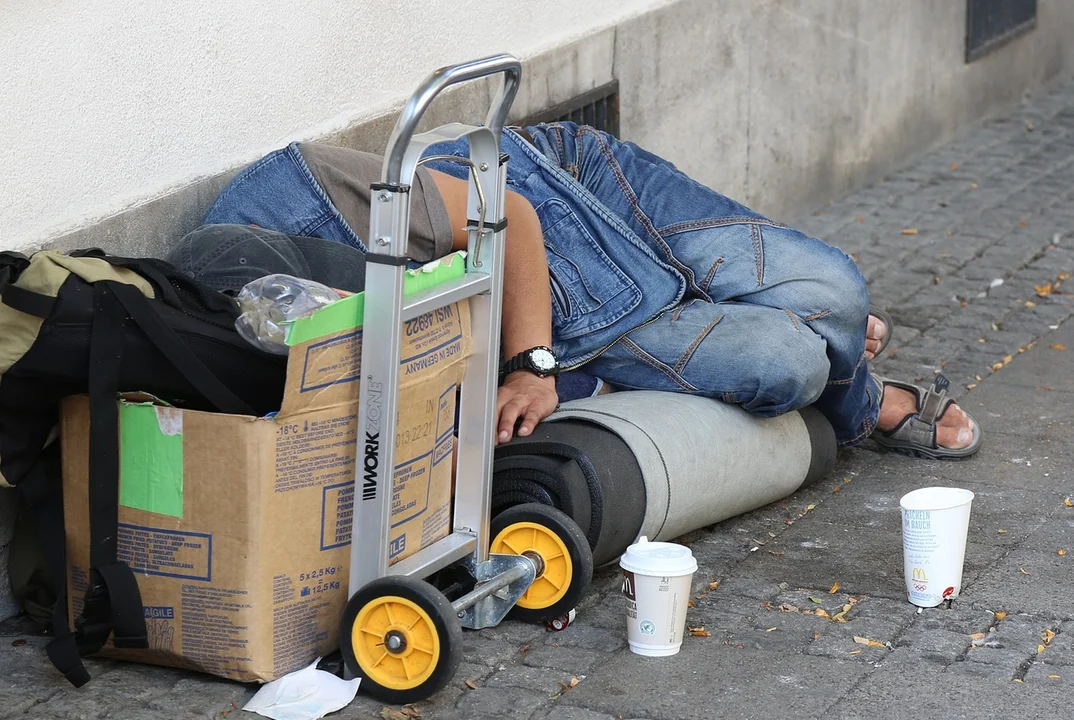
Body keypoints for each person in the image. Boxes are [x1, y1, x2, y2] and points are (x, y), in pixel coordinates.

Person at [186, 122, 981, 460]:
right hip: (574, 315)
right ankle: (842, 368)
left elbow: (515, 218)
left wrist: (533, 367)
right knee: (787, 362)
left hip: (558, 186)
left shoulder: (298, 194)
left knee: (834, 285)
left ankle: (854, 387)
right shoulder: (262, 328)